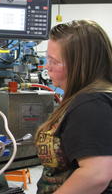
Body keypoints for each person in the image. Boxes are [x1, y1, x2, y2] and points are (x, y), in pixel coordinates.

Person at [35, 20, 112, 194]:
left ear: (79, 64)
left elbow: (96, 174)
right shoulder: (96, 95)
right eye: (48, 59)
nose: (48, 67)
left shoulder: (92, 103)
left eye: (54, 61)